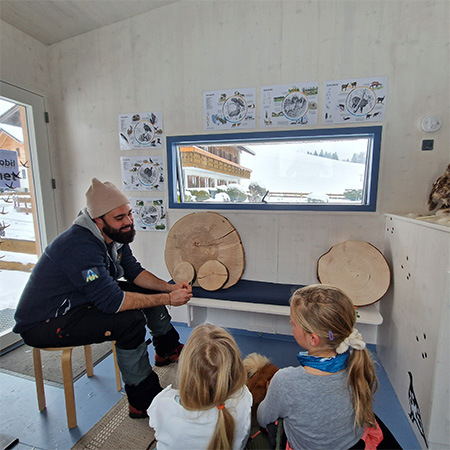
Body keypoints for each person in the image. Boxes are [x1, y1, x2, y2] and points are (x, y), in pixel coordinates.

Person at [13, 178, 193, 418]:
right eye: (120, 218)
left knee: (151, 293)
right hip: (46, 322)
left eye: (129, 214)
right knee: (130, 322)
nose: (128, 222)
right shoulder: (78, 246)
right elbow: (113, 302)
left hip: (80, 301)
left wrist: (167, 289)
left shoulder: (114, 235)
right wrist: (168, 300)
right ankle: (142, 401)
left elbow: (134, 272)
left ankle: (167, 349)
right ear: (98, 220)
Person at [257, 284, 383, 450]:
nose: (290, 323)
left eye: (293, 323)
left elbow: (263, 418)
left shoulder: (284, 381)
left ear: (313, 340)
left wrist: (272, 392)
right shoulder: (358, 366)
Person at [148, 324, 253, 450]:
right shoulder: (244, 397)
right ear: (235, 368)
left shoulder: (162, 403)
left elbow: (158, 431)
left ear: (186, 368)